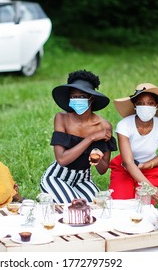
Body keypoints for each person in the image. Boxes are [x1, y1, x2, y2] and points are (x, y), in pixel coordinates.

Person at [40, 70, 117, 203]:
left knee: (100, 207)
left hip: (83, 178)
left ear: (91, 98)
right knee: (73, 207)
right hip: (58, 176)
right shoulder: (62, 118)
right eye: (73, 96)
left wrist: (96, 157)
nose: (77, 100)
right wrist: (91, 138)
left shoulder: (103, 126)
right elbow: (62, 159)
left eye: (81, 97)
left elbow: (103, 169)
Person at [109, 83, 158, 205]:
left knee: (145, 207)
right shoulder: (124, 125)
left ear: (157, 105)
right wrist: (151, 188)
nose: (145, 107)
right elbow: (128, 162)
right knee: (119, 204)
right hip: (124, 167)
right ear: (134, 105)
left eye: (150, 103)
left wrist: (147, 165)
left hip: (149, 169)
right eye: (140, 103)